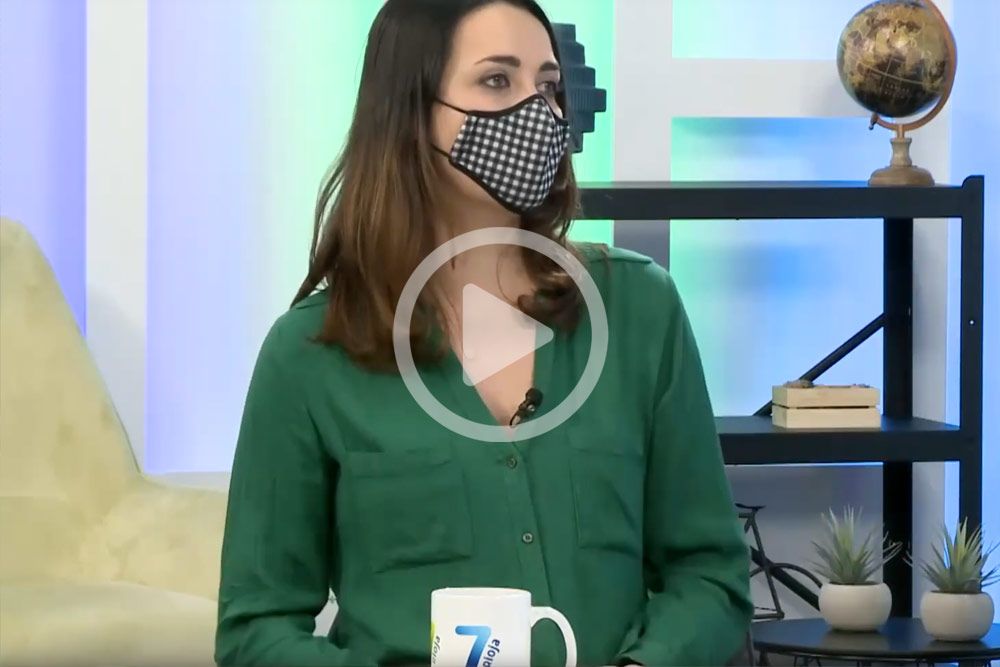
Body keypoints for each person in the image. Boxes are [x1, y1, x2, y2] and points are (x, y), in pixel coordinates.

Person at [214, 0, 753, 665]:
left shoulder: (641, 308)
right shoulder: (307, 354)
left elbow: (709, 574)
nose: (540, 114)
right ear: (411, 111)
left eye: (548, 87)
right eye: (497, 80)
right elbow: (255, 631)